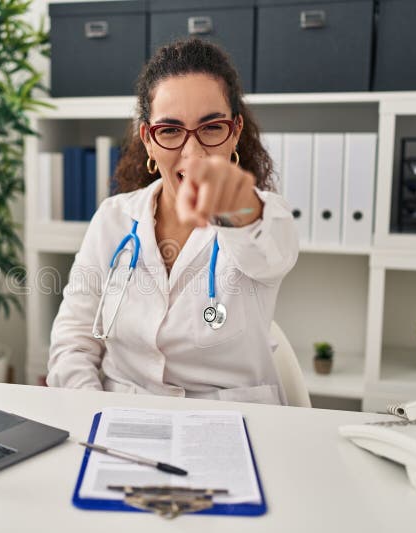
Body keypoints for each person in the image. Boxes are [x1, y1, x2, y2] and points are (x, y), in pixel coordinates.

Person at [47, 38, 299, 405]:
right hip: (123, 418)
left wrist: (237, 206)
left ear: (235, 131)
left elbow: (269, 248)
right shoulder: (114, 219)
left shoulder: (263, 217)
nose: (193, 153)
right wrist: (94, 410)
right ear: (148, 139)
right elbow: (73, 341)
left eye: (212, 127)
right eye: (170, 131)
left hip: (234, 425)